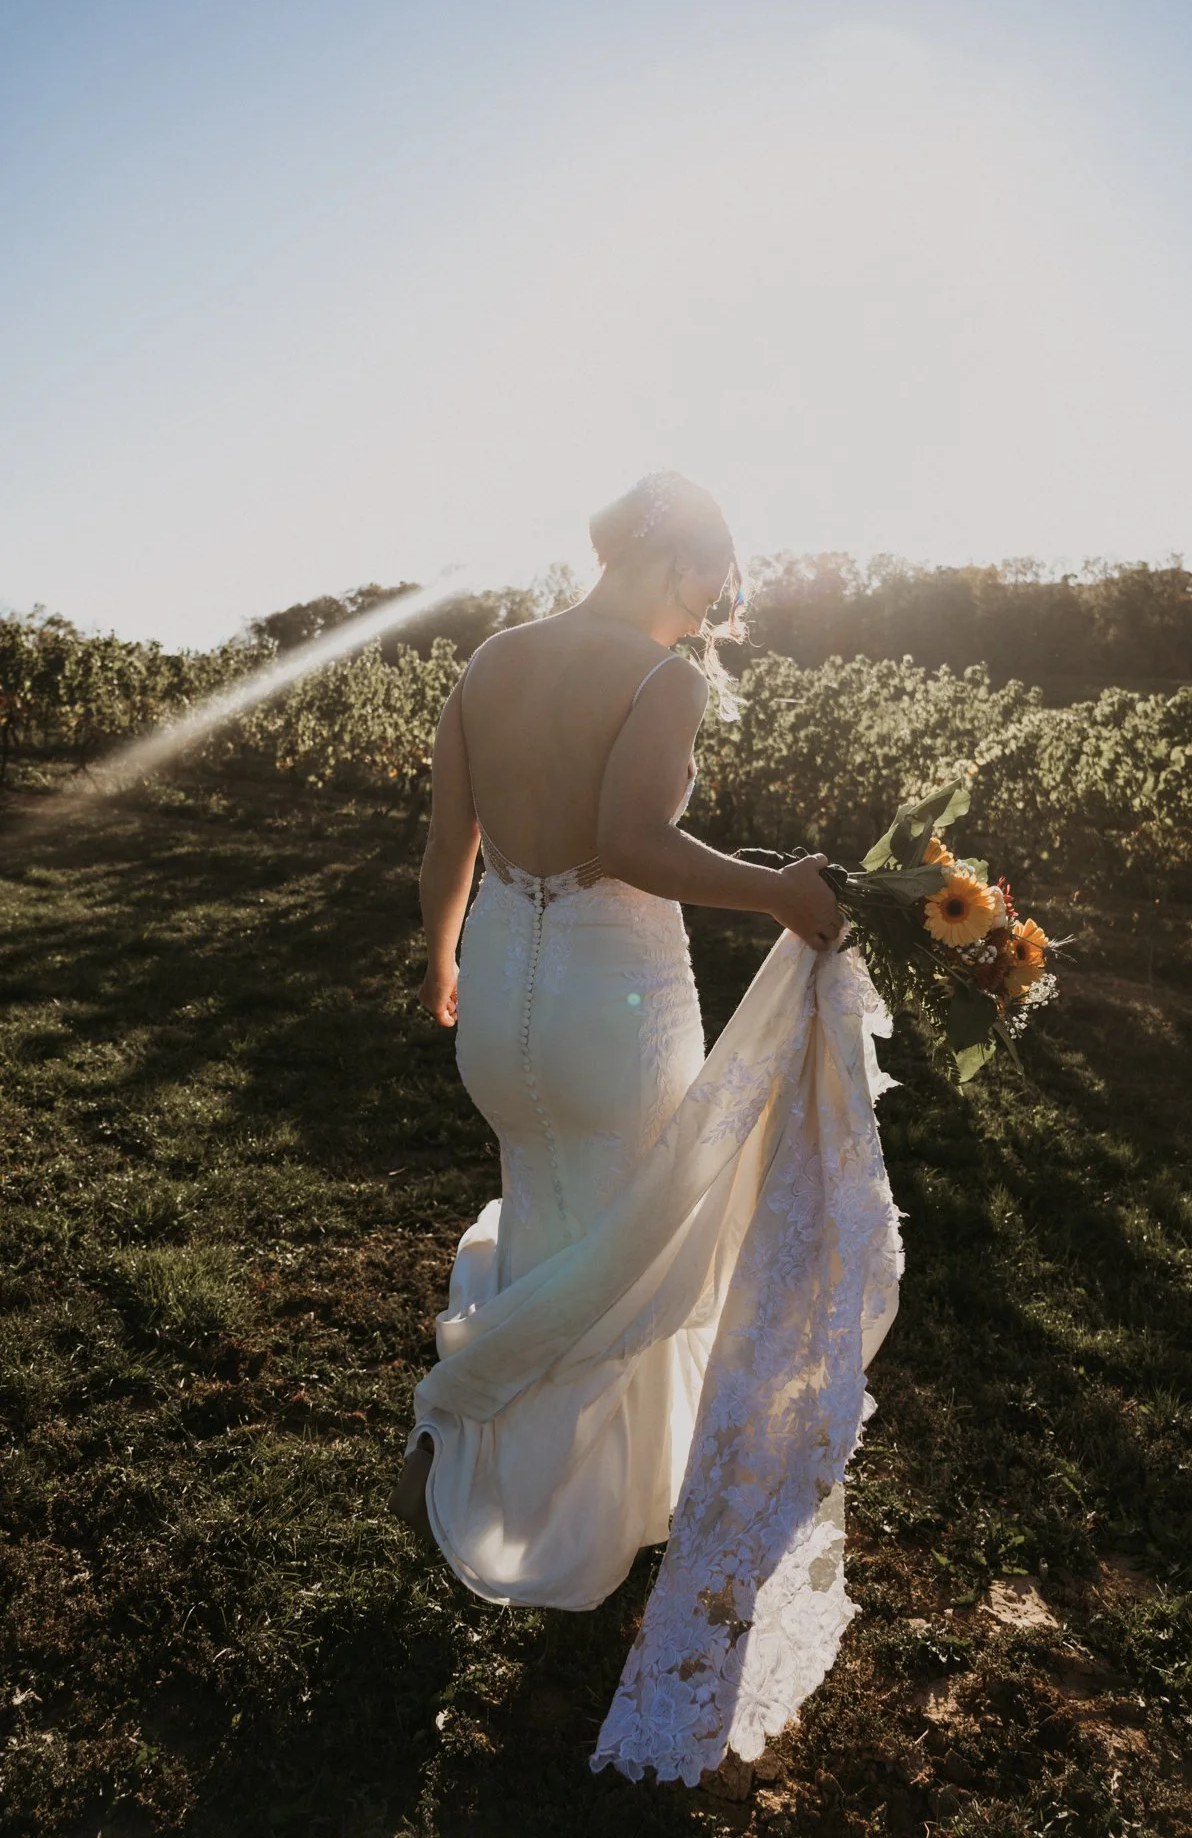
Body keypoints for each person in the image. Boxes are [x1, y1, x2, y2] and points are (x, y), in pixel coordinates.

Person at [391, 471, 903, 1786]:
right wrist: (783, 892)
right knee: (636, 1248)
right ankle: (466, 1428)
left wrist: (442, 959)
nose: (719, 609)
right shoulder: (660, 679)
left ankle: (549, 1482)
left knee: (561, 1225)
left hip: (503, 986)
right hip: (608, 1008)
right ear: (677, 560)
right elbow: (629, 840)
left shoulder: (492, 661)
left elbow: (449, 839)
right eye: (719, 580)